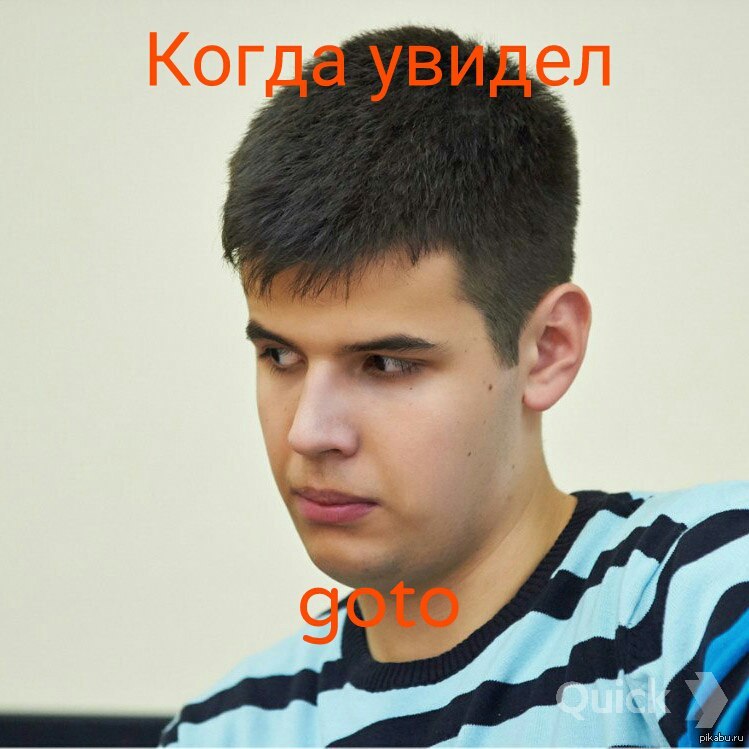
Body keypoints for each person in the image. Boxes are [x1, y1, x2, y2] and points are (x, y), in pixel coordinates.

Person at [160, 25, 749, 748]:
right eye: (280, 356)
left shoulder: (699, 601)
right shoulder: (227, 731)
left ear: (546, 350)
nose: (308, 432)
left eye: (385, 364)